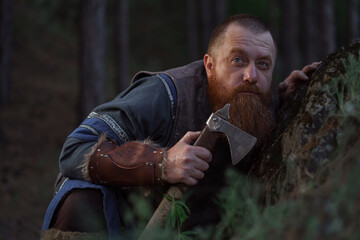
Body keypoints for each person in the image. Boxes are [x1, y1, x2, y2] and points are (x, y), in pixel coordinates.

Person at [41, 14, 319, 239]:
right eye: (238, 60)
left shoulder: (261, 102)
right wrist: (160, 163)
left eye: (263, 64)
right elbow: (74, 149)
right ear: (209, 65)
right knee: (79, 199)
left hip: (194, 229)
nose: (251, 75)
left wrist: (284, 106)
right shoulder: (164, 95)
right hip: (122, 225)